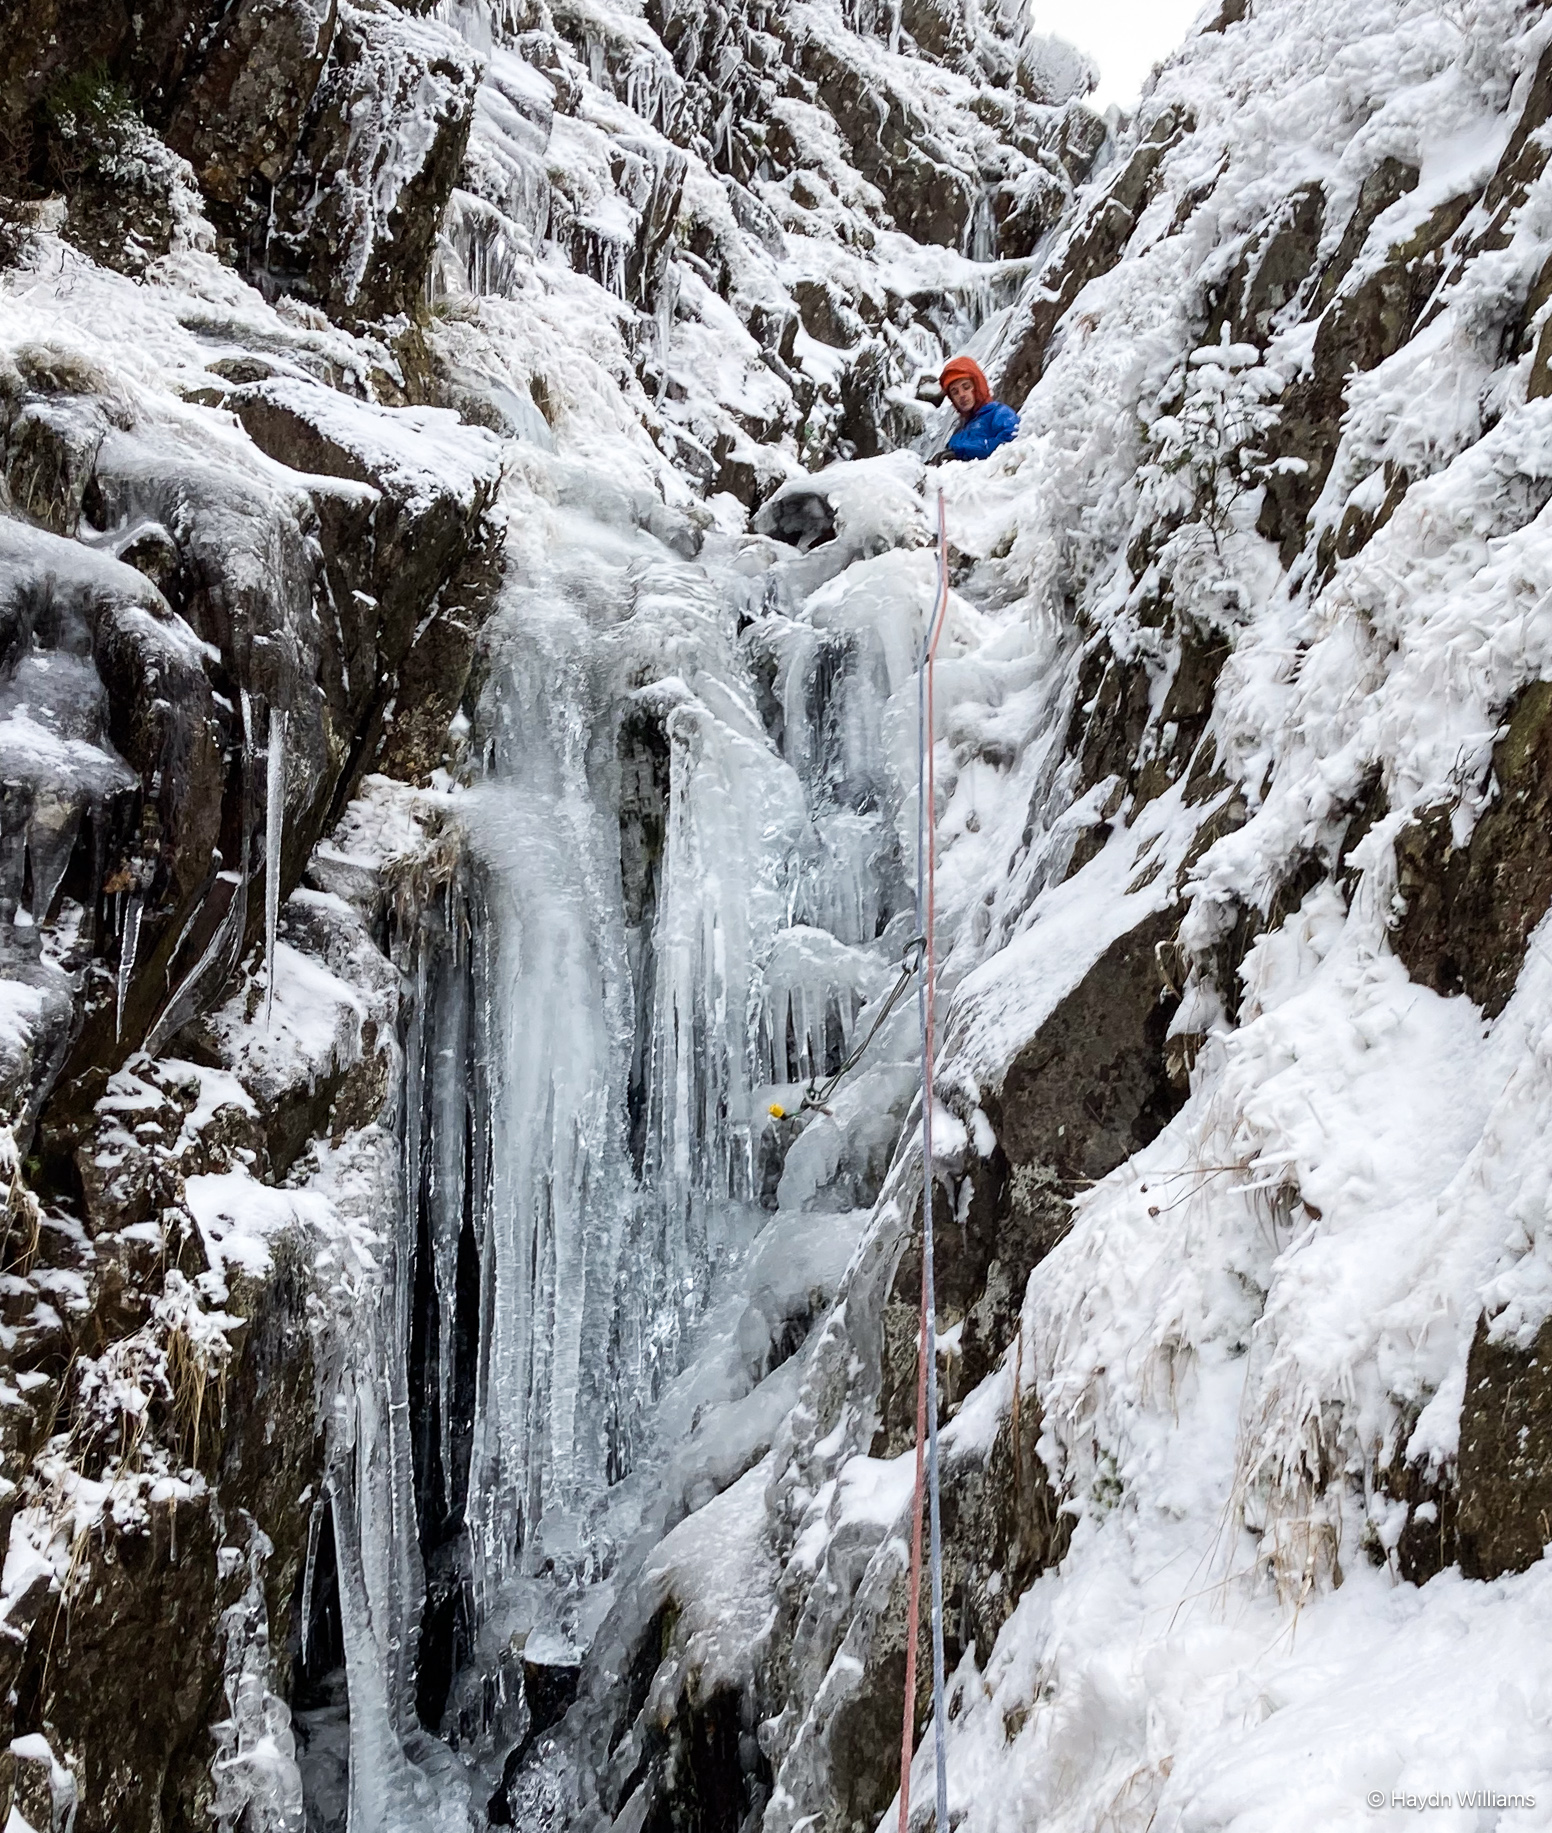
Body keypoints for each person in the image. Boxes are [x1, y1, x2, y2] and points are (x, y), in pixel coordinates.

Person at [937, 356, 1018, 461]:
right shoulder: (962, 428)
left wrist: (960, 453)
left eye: (966, 387)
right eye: (955, 392)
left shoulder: (1000, 414)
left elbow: (1010, 443)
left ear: (978, 386)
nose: (962, 395)